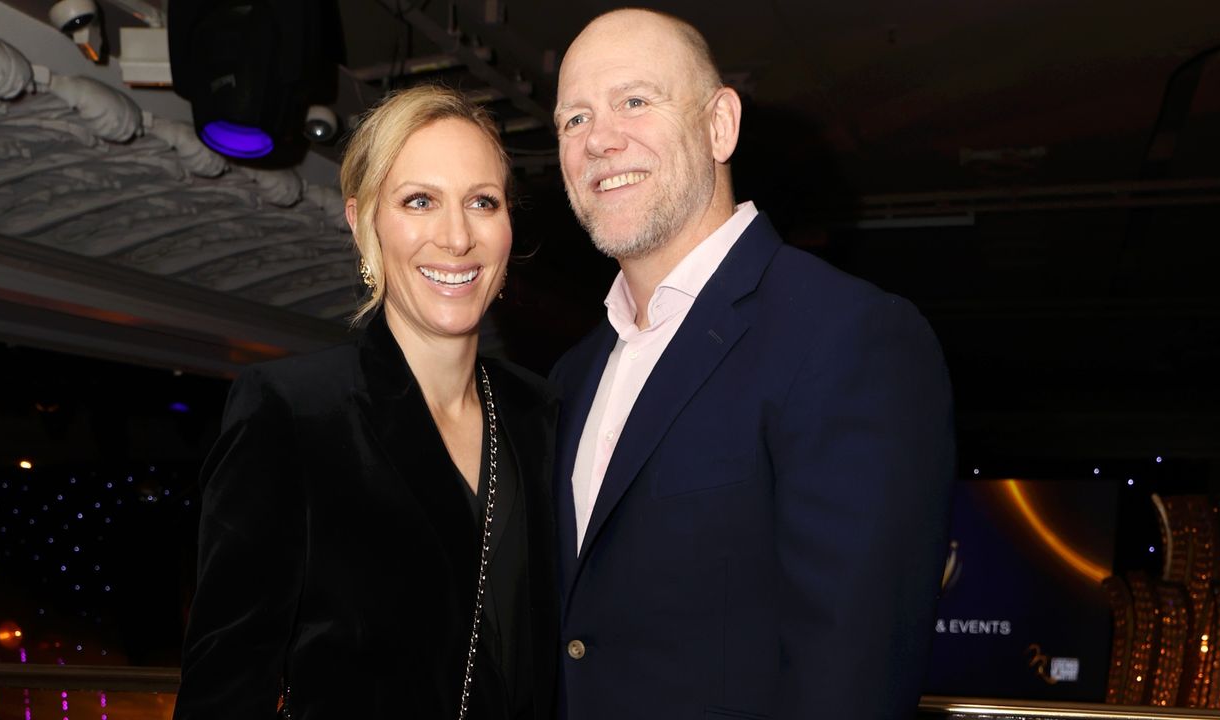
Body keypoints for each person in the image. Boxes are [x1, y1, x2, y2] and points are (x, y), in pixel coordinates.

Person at [549, 9, 955, 720]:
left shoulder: (848, 335)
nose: (600, 140)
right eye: (573, 120)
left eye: (634, 101)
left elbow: (852, 678)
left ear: (719, 125)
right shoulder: (570, 376)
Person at [173, 85, 558, 720]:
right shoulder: (292, 412)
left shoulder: (540, 411)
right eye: (419, 201)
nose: (457, 236)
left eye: (482, 202)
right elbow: (224, 690)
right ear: (363, 222)